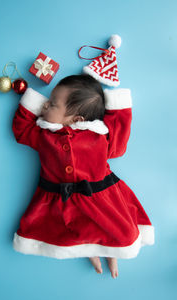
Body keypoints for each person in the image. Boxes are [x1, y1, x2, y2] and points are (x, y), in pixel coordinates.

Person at [12, 74, 155, 278]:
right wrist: (33, 103)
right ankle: (91, 253)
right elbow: (21, 130)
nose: (44, 107)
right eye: (47, 102)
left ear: (77, 119)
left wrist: (117, 106)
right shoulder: (44, 135)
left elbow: (119, 143)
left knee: (111, 232)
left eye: (52, 104)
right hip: (59, 200)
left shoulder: (99, 135)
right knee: (75, 235)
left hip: (99, 198)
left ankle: (111, 254)